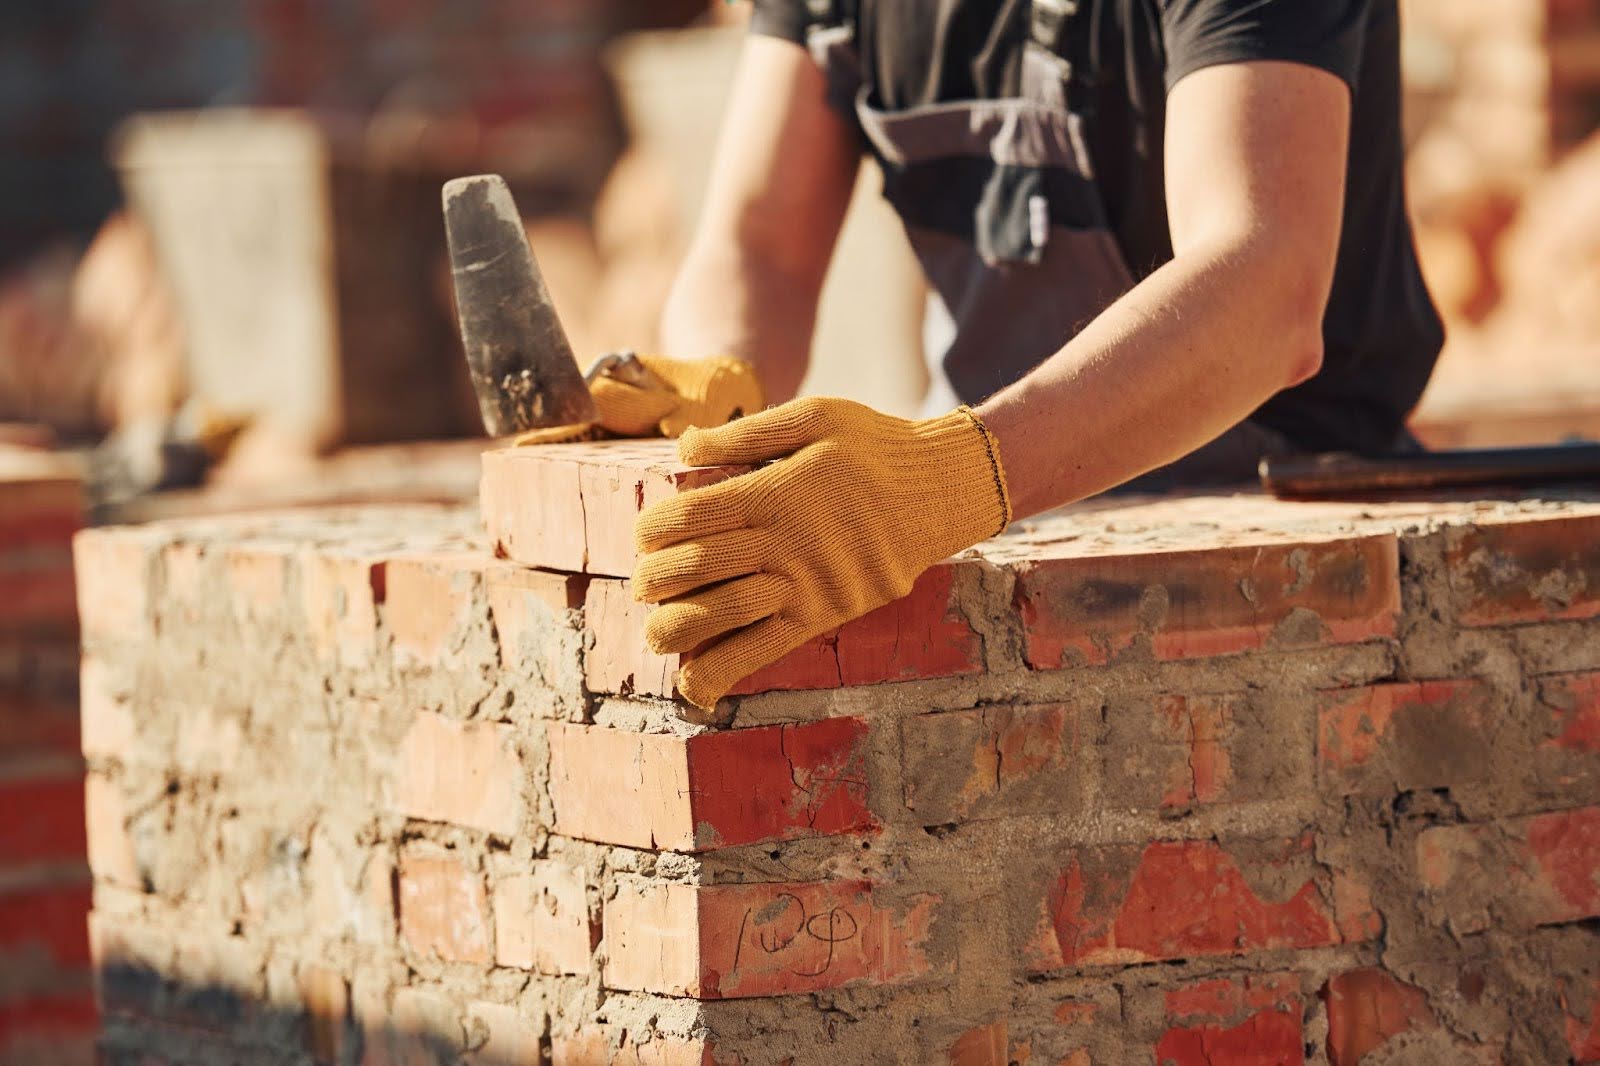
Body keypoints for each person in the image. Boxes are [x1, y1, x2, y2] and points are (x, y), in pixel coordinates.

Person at [551, 0, 1443, 710]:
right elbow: (759, 249)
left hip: (1280, 543)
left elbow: (1265, 289)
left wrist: (942, 479)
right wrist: (722, 385)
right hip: (997, 530)